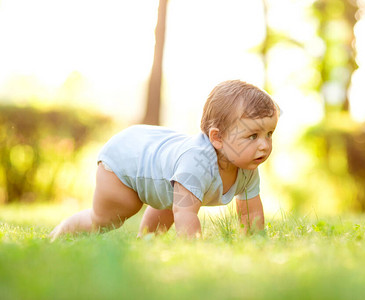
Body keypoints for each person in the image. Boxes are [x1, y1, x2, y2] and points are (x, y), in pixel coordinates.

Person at [49, 80, 279, 240]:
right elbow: (185, 215)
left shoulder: (247, 166)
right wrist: (193, 249)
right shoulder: (196, 164)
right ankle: (58, 235)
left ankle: (147, 242)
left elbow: (250, 214)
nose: (264, 145)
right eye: (253, 136)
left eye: (269, 134)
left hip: (158, 165)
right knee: (109, 217)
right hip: (125, 160)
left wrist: (256, 242)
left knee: (175, 199)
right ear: (217, 138)